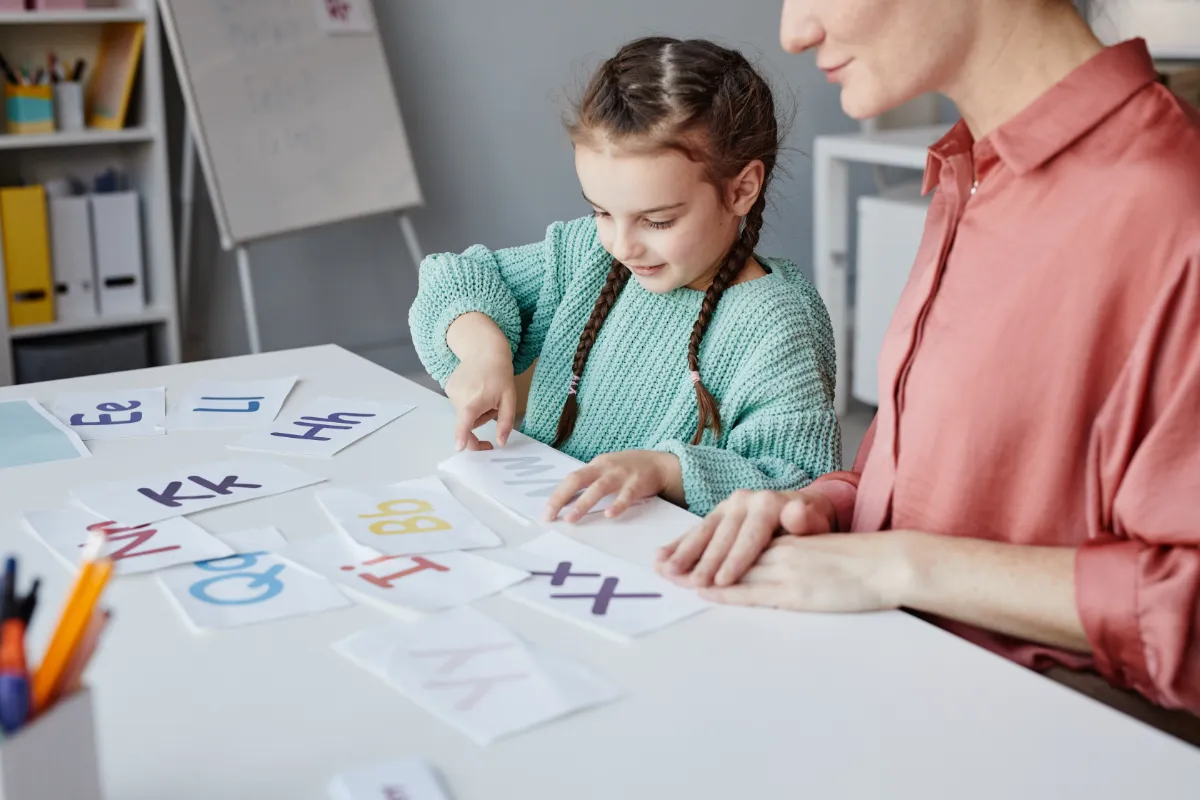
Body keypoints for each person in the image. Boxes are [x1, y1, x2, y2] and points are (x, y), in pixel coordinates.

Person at [656, 0, 1200, 742]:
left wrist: (900, 565)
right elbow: (933, 476)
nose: (794, 31)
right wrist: (824, 508)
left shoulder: (1170, 205)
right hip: (896, 688)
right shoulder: (970, 176)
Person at [408, 37, 842, 522]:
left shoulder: (777, 324)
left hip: (656, 568)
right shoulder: (589, 256)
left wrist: (665, 469)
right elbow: (453, 277)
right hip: (544, 529)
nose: (622, 244)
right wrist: (485, 351)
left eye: (657, 221)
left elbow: (800, 487)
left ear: (741, 189)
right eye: (601, 211)